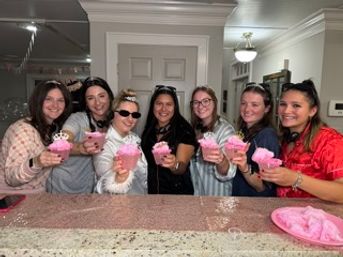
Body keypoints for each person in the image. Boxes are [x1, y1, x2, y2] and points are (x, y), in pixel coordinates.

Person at [261, 80, 343, 203]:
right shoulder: (286, 137)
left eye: (296, 105)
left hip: (318, 217)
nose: (286, 111)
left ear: (312, 111)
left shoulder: (330, 141)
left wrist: (296, 179)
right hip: (287, 214)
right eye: (283, 104)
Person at [0, 80, 72, 194]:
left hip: (35, 195)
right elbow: (11, 177)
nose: (55, 105)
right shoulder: (24, 130)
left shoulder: (51, 128)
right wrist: (37, 162)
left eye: (60, 100)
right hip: (10, 198)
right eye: (48, 99)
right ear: (38, 102)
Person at [46, 76, 114, 194]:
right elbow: (61, 143)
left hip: (88, 187)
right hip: (61, 185)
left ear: (109, 97)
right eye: (90, 98)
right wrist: (81, 148)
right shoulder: (77, 119)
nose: (97, 102)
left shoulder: (115, 121)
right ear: (86, 102)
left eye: (101, 96)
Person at [141, 85, 197, 194]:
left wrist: (174, 164)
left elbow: (182, 166)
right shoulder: (149, 129)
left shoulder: (185, 130)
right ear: (153, 106)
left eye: (169, 104)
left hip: (177, 196)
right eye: (159, 104)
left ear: (175, 107)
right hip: (152, 194)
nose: (163, 109)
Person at [94, 89, 147, 194]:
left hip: (141, 202)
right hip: (117, 206)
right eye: (124, 113)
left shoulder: (134, 138)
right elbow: (103, 182)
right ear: (113, 114)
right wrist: (118, 178)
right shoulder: (103, 142)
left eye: (135, 115)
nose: (130, 119)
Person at [231, 83, 280, 196]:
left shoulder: (267, 136)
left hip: (257, 204)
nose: (247, 109)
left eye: (255, 105)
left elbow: (263, 186)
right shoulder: (244, 132)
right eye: (243, 103)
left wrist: (244, 168)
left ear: (267, 108)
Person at [190, 86, 236, 196]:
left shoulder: (226, 130)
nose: (200, 106)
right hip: (198, 194)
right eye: (196, 102)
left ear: (214, 103)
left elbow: (228, 172)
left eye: (206, 101)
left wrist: (221, 160)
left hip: (217, 197)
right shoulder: (194, 128)